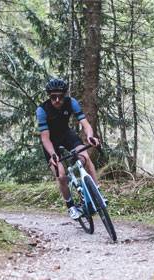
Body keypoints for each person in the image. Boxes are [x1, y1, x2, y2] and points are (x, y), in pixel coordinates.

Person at [36, 78, 100, 220]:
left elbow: (85, 124)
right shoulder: (42, 110)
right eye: (53, 97)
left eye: (60, 96)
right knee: (62, 175)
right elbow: (45, 138)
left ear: (65, 95)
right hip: (50, 142)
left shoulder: (71, 102)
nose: (57, 100)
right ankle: (71, 206)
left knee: (85, 157)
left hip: (66, 135)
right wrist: (53, 154)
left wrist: (90, 136)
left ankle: (97, 194)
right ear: (49, 96)